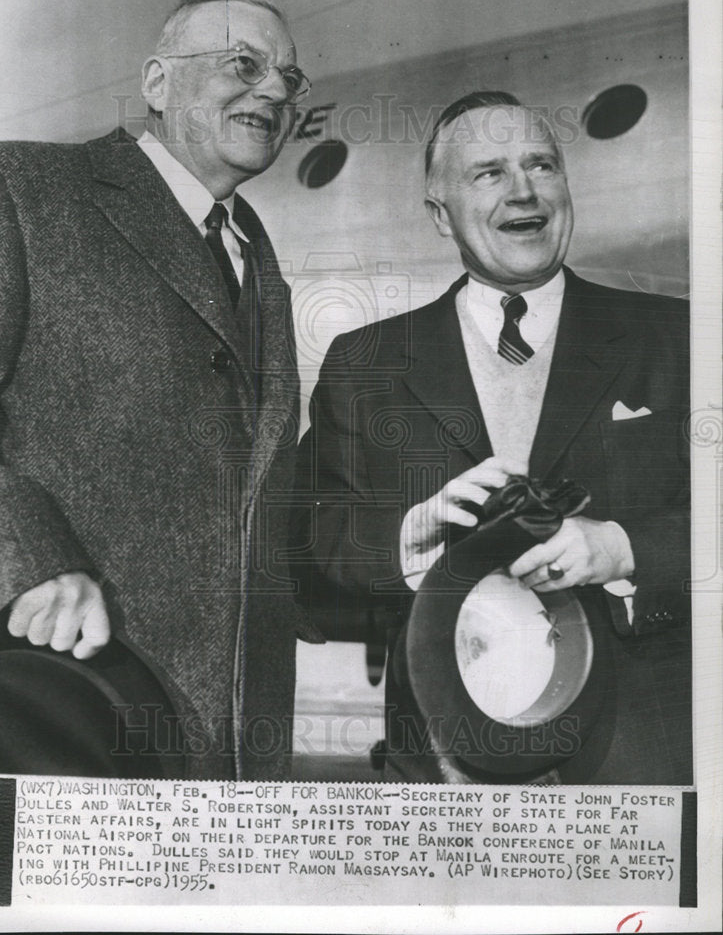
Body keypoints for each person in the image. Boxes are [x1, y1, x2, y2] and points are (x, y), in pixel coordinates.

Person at [294, 90, 691, 784]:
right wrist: (400, 541)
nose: (523, 192)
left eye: (540, 165)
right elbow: (304, 549)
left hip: (640, 758)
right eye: (488, 172)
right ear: (438, 213)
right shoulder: (366, 363)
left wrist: (623, 546)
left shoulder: (678, 338)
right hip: (441, 764)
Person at [0, 0, 322, 780]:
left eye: (289, 76)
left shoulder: (253, 250)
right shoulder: (22, 186)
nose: (274, 90)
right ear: (156, 84)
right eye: (243, 64)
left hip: (237, 736)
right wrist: (31, 562)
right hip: (69, 691)